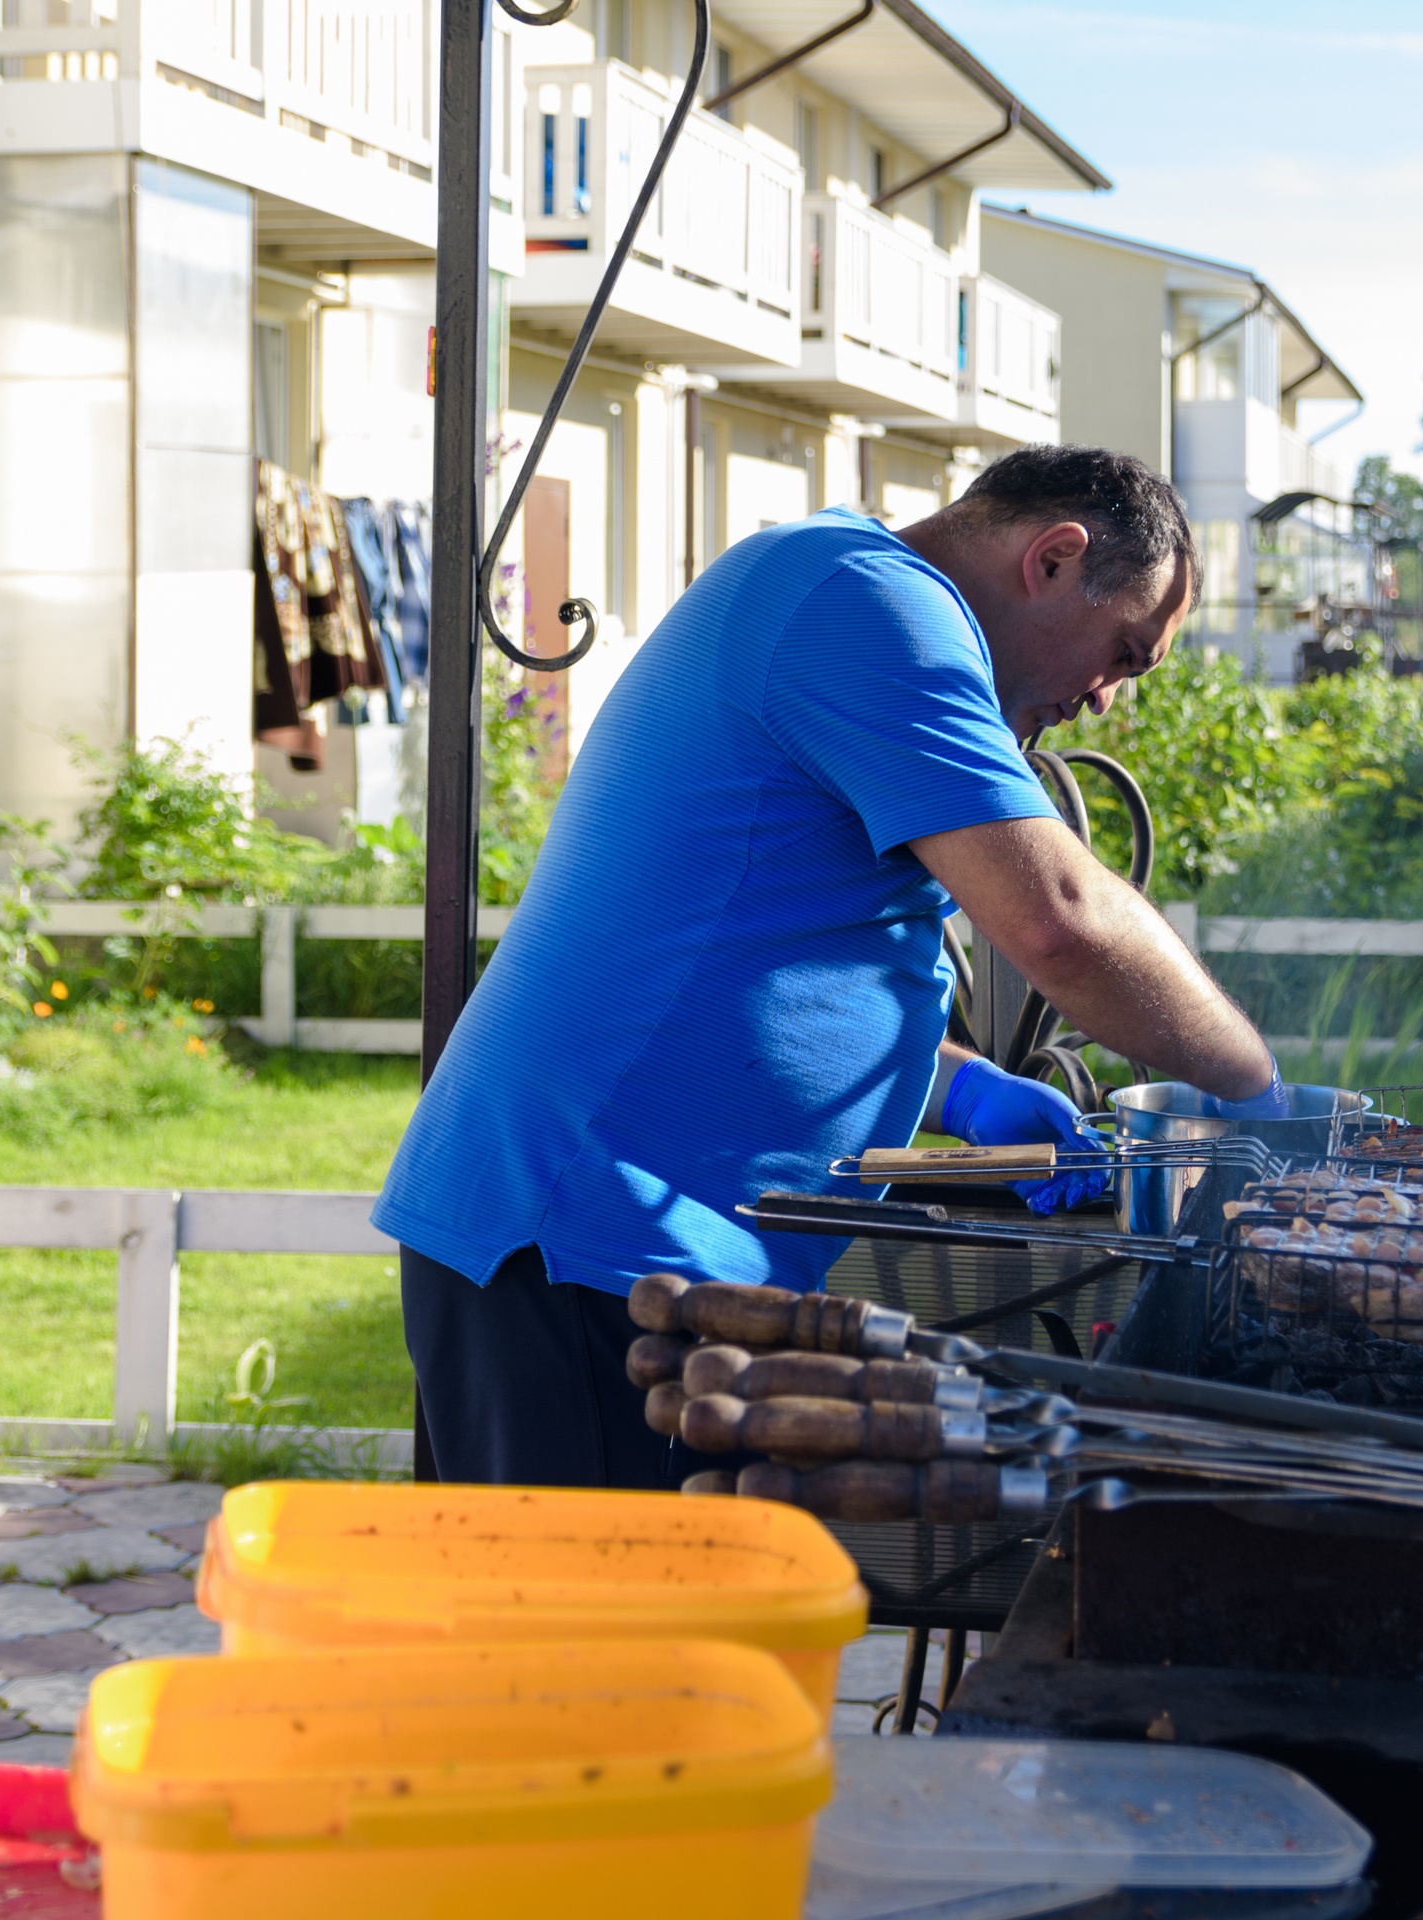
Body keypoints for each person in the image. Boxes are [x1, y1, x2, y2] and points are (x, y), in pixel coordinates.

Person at [375, 445, 1287, 1489]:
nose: (1105, 701)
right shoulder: (867, 603)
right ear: (1053, 558)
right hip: (581, 1238)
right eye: (1124, 654)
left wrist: (957, 1085)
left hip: (629, 1244)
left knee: (654, 1640)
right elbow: (1059, 922)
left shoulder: (837, 588)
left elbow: (766, 948)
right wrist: (1256, 1088)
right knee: (587, 1644)